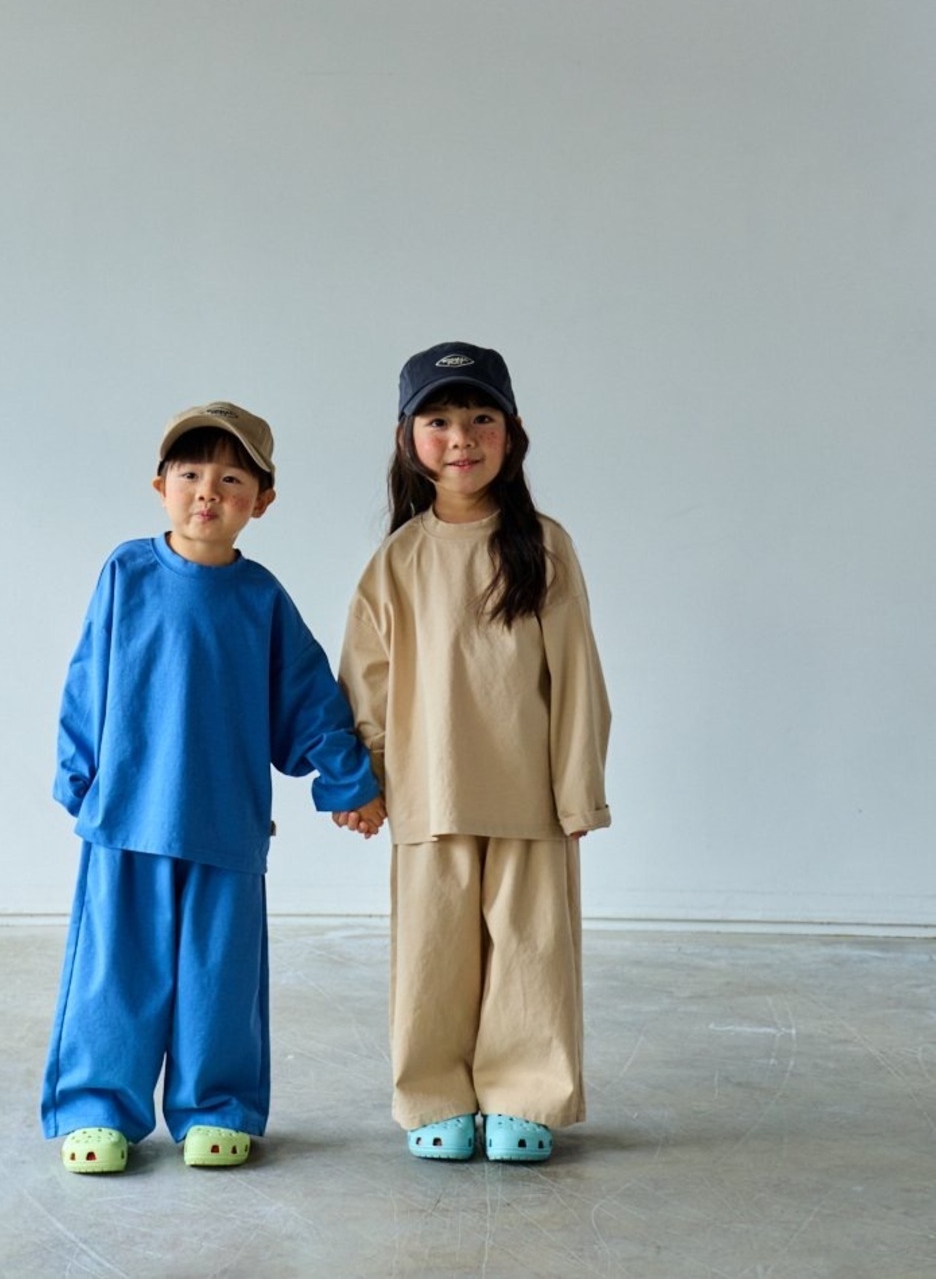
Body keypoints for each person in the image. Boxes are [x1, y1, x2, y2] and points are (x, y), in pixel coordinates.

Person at [42, 400, 385, 1175]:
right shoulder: (126, 573)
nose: (208, 491)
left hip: (226, 825)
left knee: (218, 980)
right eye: (191, 473)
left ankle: (218, 1106)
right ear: (160, 485)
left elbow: (311, 700)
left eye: (231, 479)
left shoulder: (261, 599)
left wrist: (349, 782)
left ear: (262, 500)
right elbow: (87, 674)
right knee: (112, 974)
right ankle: (98, 1107)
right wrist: (77, 771)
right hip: (126, 816)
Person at [337, 343, 611, 1164]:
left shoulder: (546, 546)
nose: (461, 437)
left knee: (532, 952)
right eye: (440, 420)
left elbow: (578, 678)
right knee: (432, 952)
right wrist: (365, 780)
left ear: (513, 432)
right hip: (429, 792)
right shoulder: (397, 559)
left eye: (481, 417)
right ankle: (436, 1095)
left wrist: (578, 790)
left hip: (529, 795)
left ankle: (527, 1093)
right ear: (407, 439)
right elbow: (366, 681)